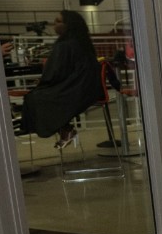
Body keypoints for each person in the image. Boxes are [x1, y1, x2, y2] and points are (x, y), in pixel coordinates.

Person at [16, 9, 100, 148]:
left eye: (58, 21)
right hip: (88, 88)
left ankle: (65, 130)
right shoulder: (81, 42)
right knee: (41, 97)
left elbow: (55, 73)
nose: (54, 24)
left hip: (78, 89)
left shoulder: (64, 45)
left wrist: (42, 82)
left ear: (69, 25)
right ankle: (66, 130)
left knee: (35, 98)